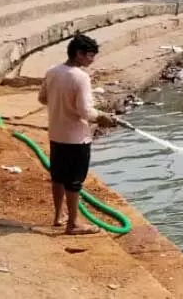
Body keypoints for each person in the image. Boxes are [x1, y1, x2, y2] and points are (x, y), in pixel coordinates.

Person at [38, 34, 117, 235]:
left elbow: (42, 98)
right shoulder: (80, 77)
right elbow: (85, 111)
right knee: (74, 181)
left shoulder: (52, 71)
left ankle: (58, 216)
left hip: (56, 133)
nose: (92, 59)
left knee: (57, 177)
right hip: (76, 138)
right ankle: (73, 224)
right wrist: (102, 117)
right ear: (79, 54)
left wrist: (62, 106)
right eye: (90, 55)